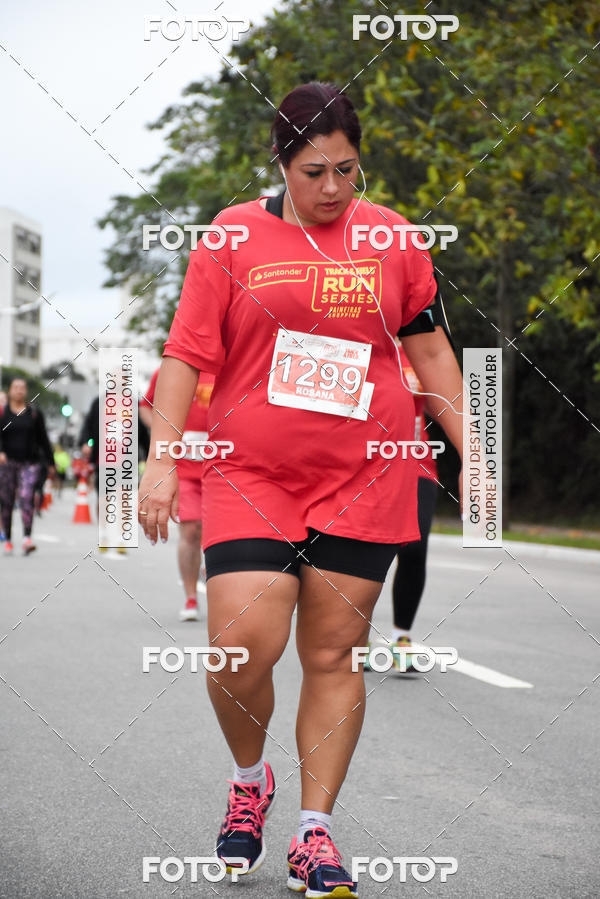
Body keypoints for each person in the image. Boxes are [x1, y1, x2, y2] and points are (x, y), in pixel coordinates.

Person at [138, 83, 464, 898]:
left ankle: (314, 833)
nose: (332, 188)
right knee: (240, 645)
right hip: (253, 475)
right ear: (281, 162)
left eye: (347, 170)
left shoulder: (392, 238)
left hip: (368, 473)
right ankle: (251, 776)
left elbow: (429, 353)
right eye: (314, 170)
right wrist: (161, 458)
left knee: (331, 653)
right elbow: (184, 354)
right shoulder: (232, 236)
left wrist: (478, 454)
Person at [365, 345, 440, 674]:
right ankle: (357, 639)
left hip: (417, 465)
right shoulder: (362, 343)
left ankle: (402, 639)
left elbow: (448, 400)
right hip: (365, 467)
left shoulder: (419, 347)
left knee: (415, 546)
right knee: (363, 550)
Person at [140, 369, 215, 621]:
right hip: (184, 469)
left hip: (223, 467)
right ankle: (191, 597)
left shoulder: (229, 364)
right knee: (192, 529)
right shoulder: (170, 371)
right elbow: (146, 407)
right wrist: (168, 436)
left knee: (219, 532)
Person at [0, 377, 55, 555]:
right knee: (7, 502)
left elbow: (43, 439)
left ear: (26, 391)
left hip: (29, 463)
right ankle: (7, 538)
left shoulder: (34, 414)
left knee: (26, 497)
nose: (19, 391)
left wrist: (51, 462)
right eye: (15, 387)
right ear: (10, 390)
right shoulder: (2, 412)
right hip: (7, 463)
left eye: (22, 388)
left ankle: (26, 538)